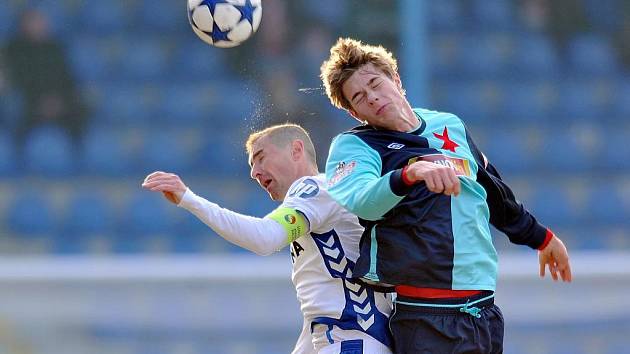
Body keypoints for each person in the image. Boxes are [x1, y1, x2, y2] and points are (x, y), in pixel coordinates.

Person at [319, 38, 572, 354]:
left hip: (484, 310)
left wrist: (542, 238)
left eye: (375, 83)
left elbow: (493, 192)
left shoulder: (449, 124)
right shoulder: (355, 145)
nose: (372, 97)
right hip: (426, 315)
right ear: (356, 113)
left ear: (395, 80)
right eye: (359, 96)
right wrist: (410, 173)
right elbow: (363, 202)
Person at [142, 123, 393, 354]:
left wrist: (189, 199)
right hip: (352, 340)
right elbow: (321, 310)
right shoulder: (320, 207)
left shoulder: (314, 189)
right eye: (251, 164)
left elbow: (265, 238)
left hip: (353, 342)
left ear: (296, 149)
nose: (254, 172)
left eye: (260, 157)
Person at [2, 8, 87, 153]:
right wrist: (40, 103)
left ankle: (77, 154)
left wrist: (58, 101)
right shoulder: (13, 49)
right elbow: (17, 81)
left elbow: (67, 79)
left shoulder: (55, 48)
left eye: (42, 21)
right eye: (35, 22)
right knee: (14, 109)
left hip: (59, 102)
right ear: (24, 25)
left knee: (84, 107)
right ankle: (19, 154)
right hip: (29, 103)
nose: (41, 25)